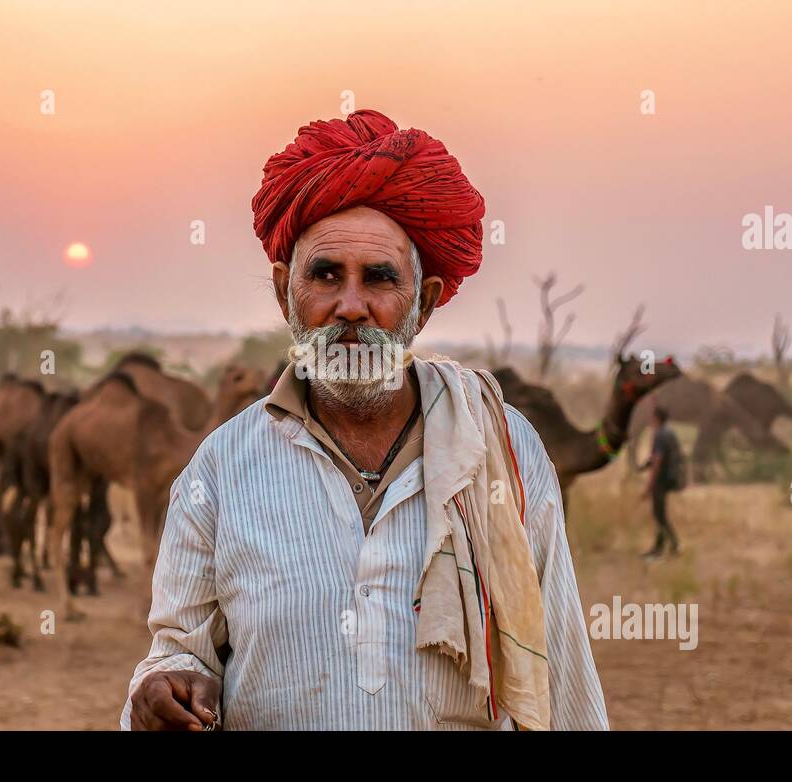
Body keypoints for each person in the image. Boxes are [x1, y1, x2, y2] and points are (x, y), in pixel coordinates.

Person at [120, 110, 607, 731]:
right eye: (325, 275)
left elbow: (560, 670)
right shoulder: (218, 471)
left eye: (379, 279)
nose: (351, 305)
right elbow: (177, 654)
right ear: (283, 292)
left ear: (424, 302)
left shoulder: (501, 448)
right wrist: (160, 690)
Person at [639, 405, 682, 559]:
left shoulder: (659, 435)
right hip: (667, 479)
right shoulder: (669, 433)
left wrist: (648, 487)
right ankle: (663, 546)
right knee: (660, 515)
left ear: (656, 418)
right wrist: (645, 465)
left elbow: (658, 461)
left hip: (660, 481)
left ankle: (669, 546)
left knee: (659, 515)